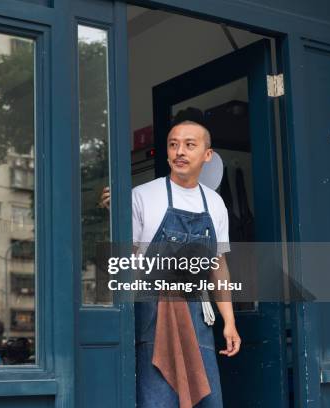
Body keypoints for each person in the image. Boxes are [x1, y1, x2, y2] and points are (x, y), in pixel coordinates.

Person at [100, 120, 240, 407]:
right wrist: (115, 218)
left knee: (206, 399)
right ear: (166, 153)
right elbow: (124, 262)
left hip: (198, 315)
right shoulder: (141, 197)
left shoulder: (214, 204)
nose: (180, 151)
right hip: (153, 313)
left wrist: (229, 321)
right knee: (158, 401)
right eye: (174, 144)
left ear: (207, 154)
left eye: (190, 145)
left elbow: (218, 266)